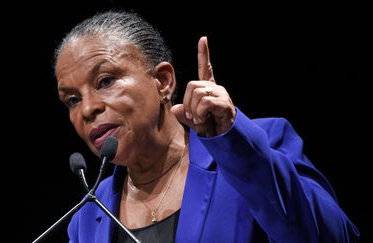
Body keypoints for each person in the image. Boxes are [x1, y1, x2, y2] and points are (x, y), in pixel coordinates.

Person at [54, 10, 360, 243]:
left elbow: (332, 236)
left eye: (105, 81)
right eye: (72, 99)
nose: (88, 108)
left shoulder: (257, 146)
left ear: (163, 81)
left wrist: (233, 142)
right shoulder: (86, 217)